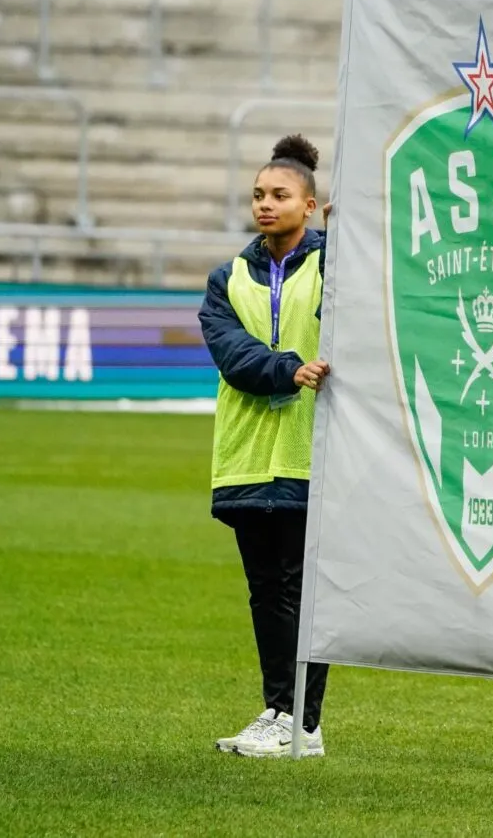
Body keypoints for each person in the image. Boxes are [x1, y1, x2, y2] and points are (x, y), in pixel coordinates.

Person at [198, 135, 333, 758]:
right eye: (258, 194)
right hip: (249, 456)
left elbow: (366, 307)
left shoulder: (334, 267)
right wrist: (288, 369)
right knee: (267, 590)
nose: (265, 204)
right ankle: (286, 715)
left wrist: (344, 247)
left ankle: (297, 720)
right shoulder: (226, 279)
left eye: (280, 194)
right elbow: (232, 356)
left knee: (302, 590)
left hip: (314, 454)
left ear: (311, 205)